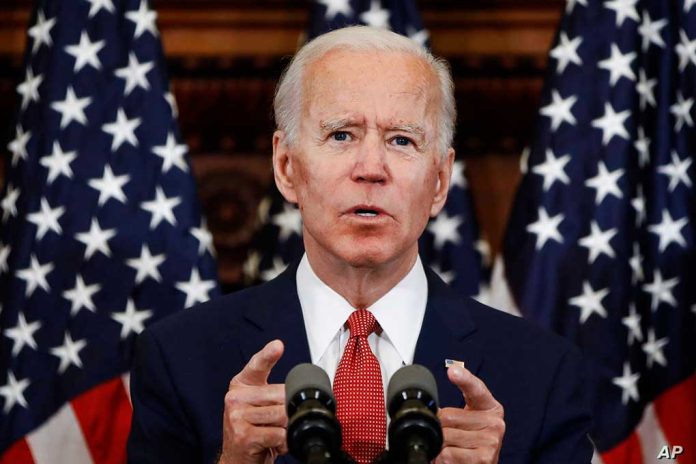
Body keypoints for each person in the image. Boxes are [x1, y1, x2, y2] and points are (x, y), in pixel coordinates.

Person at [127, 26, 593, 464]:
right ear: (286, 166)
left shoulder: (542, 374)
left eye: (401, 140)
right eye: (341, 135)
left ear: (440, 180)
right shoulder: (179, 360)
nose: (371, 167)